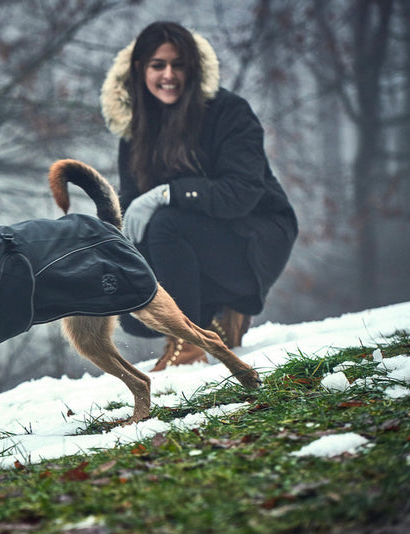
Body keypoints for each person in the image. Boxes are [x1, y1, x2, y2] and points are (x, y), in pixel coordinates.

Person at [100, 21, 298, 371]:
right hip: (192, 237)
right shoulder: (134, 128)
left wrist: (167, 193)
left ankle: (188, 343)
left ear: (194, 67)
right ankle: (220, 317)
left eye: (179, 64)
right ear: (139, 69)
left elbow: (242, 193)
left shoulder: (228, 111)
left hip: (255, 237)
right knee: (133, 305)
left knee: (166, 224)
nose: (169, 75)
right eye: (157, 65)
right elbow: (131, 207)